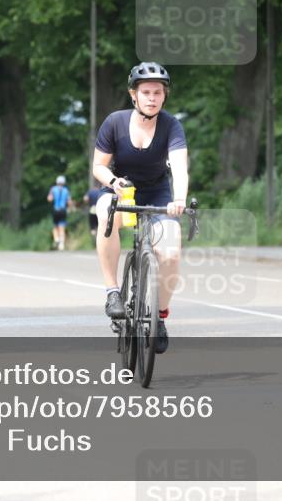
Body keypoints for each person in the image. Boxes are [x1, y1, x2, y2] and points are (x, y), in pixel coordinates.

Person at [93, 62, 189, 355]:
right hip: (122, 190)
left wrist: (180, 200)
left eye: (157, 92)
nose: (151, 97)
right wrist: (113, 181)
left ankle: (160, 317)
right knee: (105, 209)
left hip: (159, 194)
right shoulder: (115, 122)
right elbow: (98, 166)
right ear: (133, 95)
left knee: (171, 251)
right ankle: (112, 292)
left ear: (164, 96)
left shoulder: (171, 125)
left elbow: (180, 169)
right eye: (145, 91)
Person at [47, 175, 73, 251]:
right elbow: (69, 202)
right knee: (62, 227)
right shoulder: (66, 190)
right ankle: (61, 244)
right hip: (63, 210)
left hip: (56, 210)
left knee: (55, 226)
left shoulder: (53, 189)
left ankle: (57, 239)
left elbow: (49, 199)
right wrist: (70, 207)